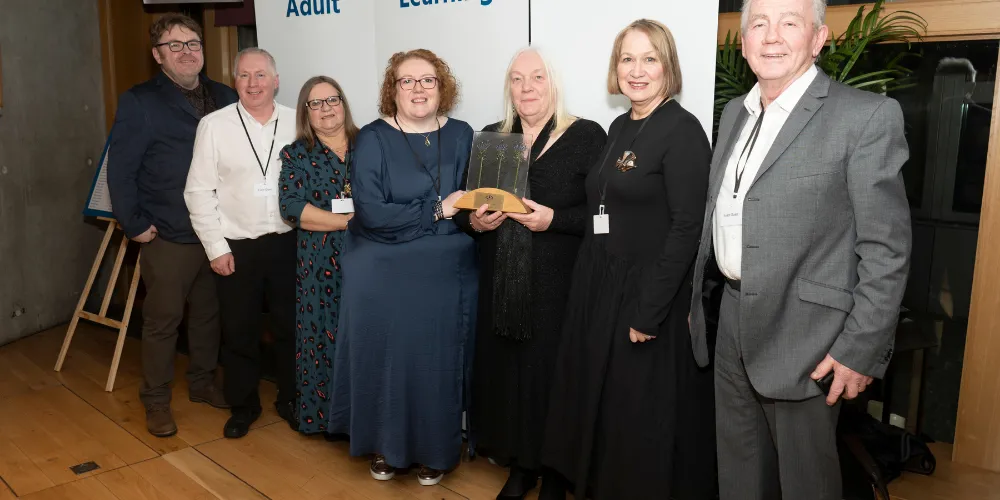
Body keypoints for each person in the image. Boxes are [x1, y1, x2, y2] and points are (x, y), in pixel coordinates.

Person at [688, 0, 912, 498]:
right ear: (742, 42)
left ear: (818, 39)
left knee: (806, 485)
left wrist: (860, 349)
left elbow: (887, 249)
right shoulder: (733, 114)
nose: (771, 37)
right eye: (759, 25)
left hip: (810, 342)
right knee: (740, 477)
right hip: (731, 323)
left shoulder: (865, 116)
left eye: (790, 23)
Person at [541, 20, 717, 500]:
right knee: (600, 404)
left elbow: (687, 229)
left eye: (649, 59)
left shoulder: (682, 131)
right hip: (600, 284)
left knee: (636, 415)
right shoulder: (620, 125)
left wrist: (649, 310)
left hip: (645, 296)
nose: (636, 71)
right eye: (627, 59)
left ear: (668, 67)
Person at [453, 47, 606, 500]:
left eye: (536, 77)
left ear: (553, 83)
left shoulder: (586, 136)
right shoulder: (491, 137)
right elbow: (467, 208)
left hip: (557, 286)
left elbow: (602, 216)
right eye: (517, 80)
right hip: (501, 282)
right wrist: (475, 222)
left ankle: (556, 474)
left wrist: (554, 219)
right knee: (509, 378)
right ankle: (520, 467)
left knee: (551, 380)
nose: (527, 88)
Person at [328, 49, 477, 486]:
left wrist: (468, 213)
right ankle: (387, 447)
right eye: (406, 81)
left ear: (442, 87)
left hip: (449, 261)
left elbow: (469, 204)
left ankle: (436, 449)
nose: (417, 89)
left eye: (427, 80)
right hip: (383, 260)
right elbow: (372, 213)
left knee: (436, 359)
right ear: (392, 90)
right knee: (390, 357)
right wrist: (436, 209)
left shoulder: (465, 134)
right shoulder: (373, 137)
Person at [107, 13, 237, 438]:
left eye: (193, 43)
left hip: (218, 231)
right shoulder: (139, 101)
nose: (187, 52)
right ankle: (156, 400)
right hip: (168, 232)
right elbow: (121, 169)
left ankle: (202, 384)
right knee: (162, 321)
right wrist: (134, 223)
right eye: (175, 45)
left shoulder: (225, 95)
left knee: (207, 316)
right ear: (157, 55)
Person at [184, 47, 298, 439]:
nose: (253, 83)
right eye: (245, 76)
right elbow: (198, 192)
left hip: (289, 243)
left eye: (261, 75)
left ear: (276, 80)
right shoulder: (214, 126)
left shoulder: (298, 122)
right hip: (237, 246)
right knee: (239, 331)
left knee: (292, 328)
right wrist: (216, 248)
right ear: (235, 81)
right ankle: (244, 405)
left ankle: (291, 399)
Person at [277, 76, 358, 434]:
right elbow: (292, 207)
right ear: (305, 112)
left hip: (370, 258)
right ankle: (327, 419)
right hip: (321, 261)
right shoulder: (297, 154)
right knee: (324, 336)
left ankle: (365, 418)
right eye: (316, 103)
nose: (326, 109)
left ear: (343, 103)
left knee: (364, 336)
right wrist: (345, 223)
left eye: (332, 100)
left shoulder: (370, 143)